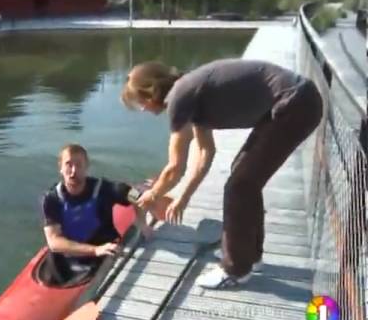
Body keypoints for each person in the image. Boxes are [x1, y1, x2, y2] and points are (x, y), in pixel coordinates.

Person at [120, 58, 323, 289]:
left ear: (150, 92)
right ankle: (249, 256)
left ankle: (235, 269)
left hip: (295, 104)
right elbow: (206, 153)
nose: (144, 109)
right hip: (295, 101)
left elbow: (175, 168)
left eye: (140, 103)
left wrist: (153, 194)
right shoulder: (190, 91)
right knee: (243, 179)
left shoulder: (179, 97)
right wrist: (183, 198)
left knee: (240, 185)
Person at [41, 143, 146, 286]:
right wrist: (94, 250)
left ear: (87, 166)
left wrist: (141, 222)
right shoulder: (52, 198)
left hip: (103, 253)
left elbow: (136, 195)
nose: (73, 171)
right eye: (68, 165)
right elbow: (53, 242)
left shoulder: (103, 188)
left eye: (79, 165)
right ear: (60, 167)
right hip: (70, 259)